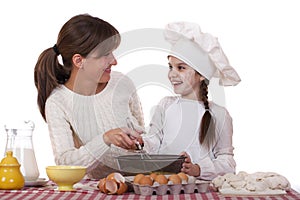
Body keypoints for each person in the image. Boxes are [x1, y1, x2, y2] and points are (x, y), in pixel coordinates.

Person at [34, 14, 144, 178]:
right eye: (105, 54)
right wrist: (106, 139)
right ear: (79, 61)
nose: (114, 61)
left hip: (142, 182)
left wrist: (142, 143)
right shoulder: (58, 102)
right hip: (97, 189)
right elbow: (65, 163)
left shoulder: (122, 82)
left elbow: (144, 134)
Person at [143, 22, 241, 181]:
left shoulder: (219, 114)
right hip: (161, 186)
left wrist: (197, 169)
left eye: (181, 68)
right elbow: (153, 141)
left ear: (201, 75)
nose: (171, 75)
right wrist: (140, 144)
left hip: (198, 191)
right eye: (170, 67)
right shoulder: (165, 105)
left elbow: (227, 162)